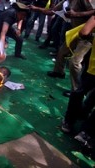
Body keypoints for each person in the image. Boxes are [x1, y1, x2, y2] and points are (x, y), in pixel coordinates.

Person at [61, 15, 95, 147]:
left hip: (93, 68)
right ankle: (86, 132)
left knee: (79, 92)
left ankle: (69, 121)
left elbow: (84, 32)